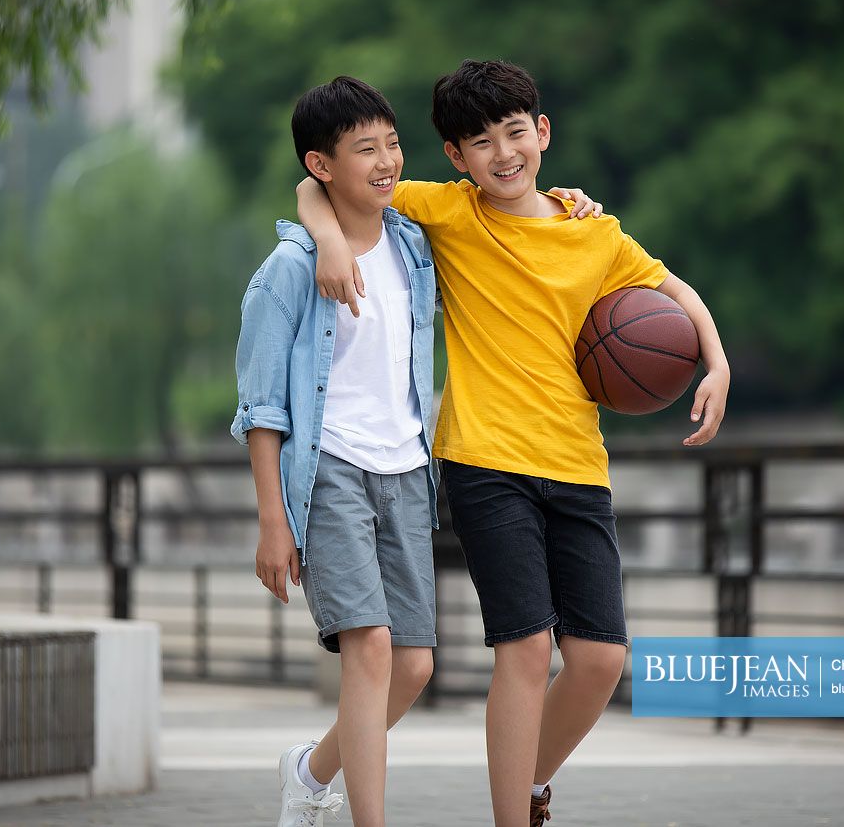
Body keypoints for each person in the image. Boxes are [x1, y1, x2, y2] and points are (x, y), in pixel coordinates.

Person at [298, 59, 731, 827]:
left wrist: (716, 361)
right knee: (526, 650)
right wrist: (329, 240)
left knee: (599, 659)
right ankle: (511, 816)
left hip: (577, 466)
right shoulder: (453, 213)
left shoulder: (592, 231)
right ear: (454, 158)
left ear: (542, 131)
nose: (502, 154)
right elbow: (321, 182)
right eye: (479, 142)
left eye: (514, 132)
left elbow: (675, 291)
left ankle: (526, 781)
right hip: (483, 463)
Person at [232, 75, 440, 827]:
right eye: (366, 150)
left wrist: (568, 199)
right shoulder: (286, 273)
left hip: (409, 469)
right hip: (331, 471)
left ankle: (310, 771)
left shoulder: (415, 245)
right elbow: (259, 408)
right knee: (372, 647)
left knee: (412, 666)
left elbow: (497, 206)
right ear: (323, 165)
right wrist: (272, 519)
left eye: (391, 144)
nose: (386, 161)